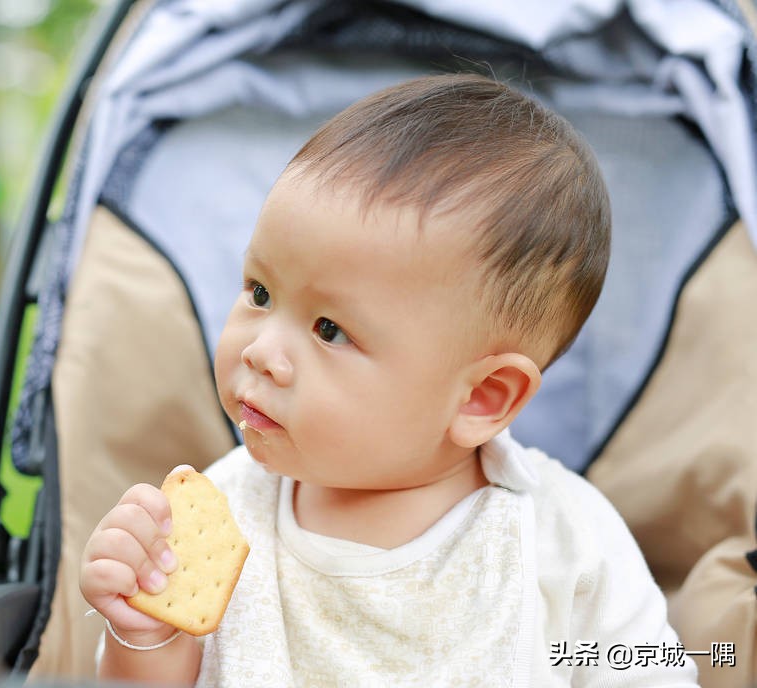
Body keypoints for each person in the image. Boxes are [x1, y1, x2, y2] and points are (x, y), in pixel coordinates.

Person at [79, 73, 699, 686]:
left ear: (482, 398)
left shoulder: (564, 542)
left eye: (330, 330)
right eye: (260, 292)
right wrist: (147, 638)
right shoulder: (222, 511)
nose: (262, 351)